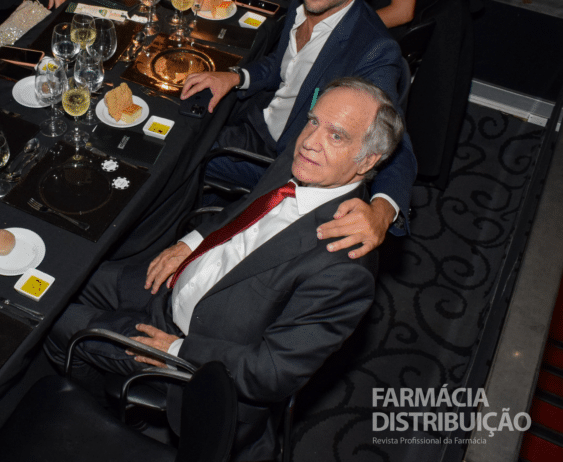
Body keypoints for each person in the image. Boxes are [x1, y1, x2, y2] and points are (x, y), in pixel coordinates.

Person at [46, 77, 403, 461]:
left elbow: (272, 371)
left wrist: (178, 349)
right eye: (313, 121)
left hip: (190, 351)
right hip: (172, 286)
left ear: (368, 160)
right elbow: (246, 209)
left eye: (336, 136)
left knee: (55, 323)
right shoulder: (303, 161)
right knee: (63, 278)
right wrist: (192, 242)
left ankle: (99, 424)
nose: (310, 141)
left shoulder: (344, 267)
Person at [181, 0, 417, 255]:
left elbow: (398, 145)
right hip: (257, 118)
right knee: (181, 115)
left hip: (282, 158)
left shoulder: (372, 50)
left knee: (181, 155)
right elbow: (283, 65)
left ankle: (166, 241)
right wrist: (236, 76)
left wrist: (381, 212)